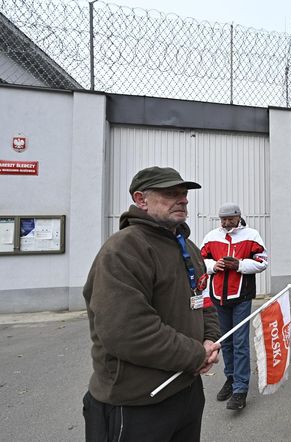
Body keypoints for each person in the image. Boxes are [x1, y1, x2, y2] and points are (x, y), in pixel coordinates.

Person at [82, 166, 221, 442]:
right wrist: (195, 355)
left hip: (186, 390)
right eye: (171, 193)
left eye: (183, 193)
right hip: (137, 402)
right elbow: (129, 331)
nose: (183, 199)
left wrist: (210, 339)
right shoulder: (124, 249)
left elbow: (204, 300)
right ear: (141, 199)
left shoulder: (188, 248)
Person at [200, 203, 268, 411]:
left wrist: (239, 265)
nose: (226, 223)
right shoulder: (212, 236)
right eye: (223, 220)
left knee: (240, 343)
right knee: (225, 342)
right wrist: (214, 266)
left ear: (238, 217)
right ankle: (230, 378)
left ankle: (240, 389)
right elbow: (200, 260)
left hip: (242, 296)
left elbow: (263, 261)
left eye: (230, 219)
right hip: (218, 296)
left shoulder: (252, 235)